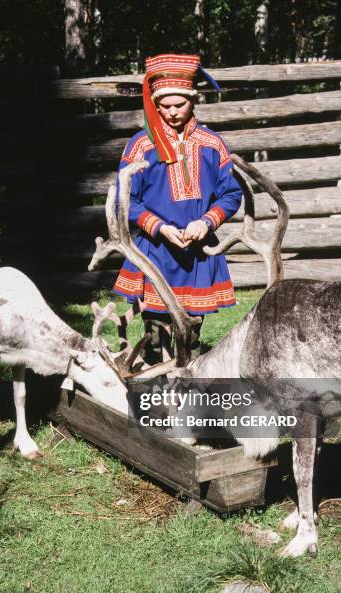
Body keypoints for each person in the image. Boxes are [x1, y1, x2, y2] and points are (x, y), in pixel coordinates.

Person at [113, 53, 243, 364]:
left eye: (179, 105)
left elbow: (231, 193)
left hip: (198, 253)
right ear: (155, 105)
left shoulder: (212, 144)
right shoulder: (141, 145)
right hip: (157, 249)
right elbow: (126, 198)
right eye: (165, 106)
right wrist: (160, 227)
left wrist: (207, 222)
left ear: (193, 101)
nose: (172, 112)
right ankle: (157, 396)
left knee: (193, 331)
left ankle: (193, 390)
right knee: (156, 332)